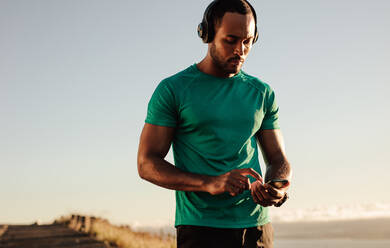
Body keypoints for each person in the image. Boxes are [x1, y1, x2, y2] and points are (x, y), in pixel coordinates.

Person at [137, 0, 292, 247]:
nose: (240, 50)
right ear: (207, 34)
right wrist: (210, 183)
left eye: (247, 41)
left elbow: (278, 160)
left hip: (257, 229)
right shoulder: (173, 90)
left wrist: (277, 187)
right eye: (230, 40)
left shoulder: (262, 93)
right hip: (200, 228)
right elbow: (146, 164)